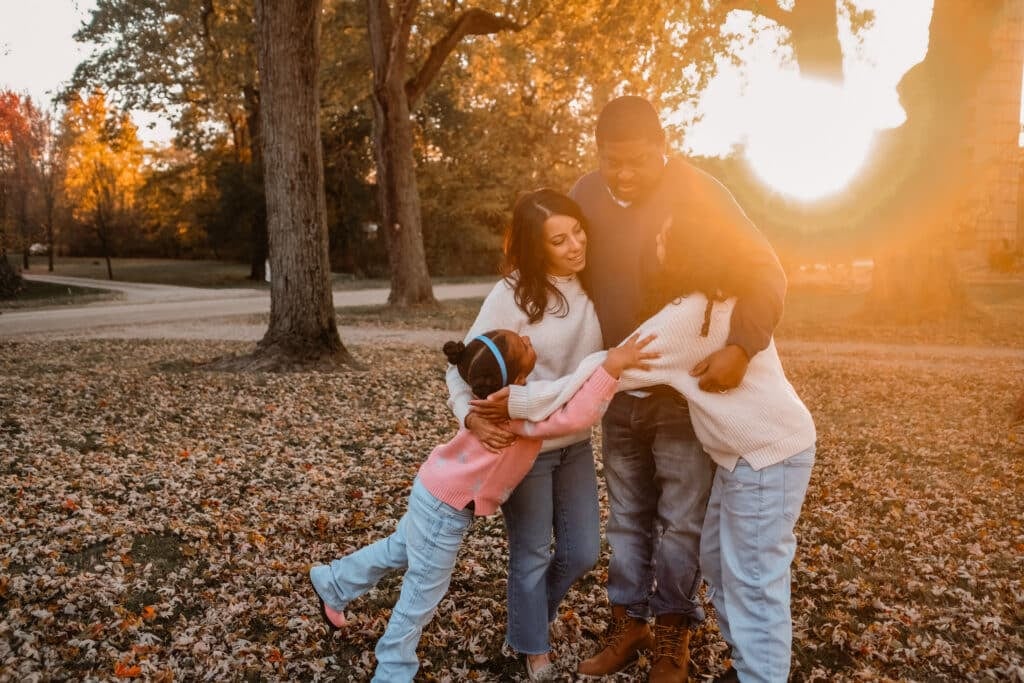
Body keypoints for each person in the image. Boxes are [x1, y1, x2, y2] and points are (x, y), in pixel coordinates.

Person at [478, 96, 788, 682]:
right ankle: (629, 622)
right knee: (626, 517)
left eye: (636, 161)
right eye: (610, 160)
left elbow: (766, 270)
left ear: (662, 144)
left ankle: (672, 629)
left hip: (683, 393)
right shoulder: (588, 192)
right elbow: (557, 263)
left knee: (679, 519)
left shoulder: (702, 191)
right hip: (617, 390)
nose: (621, 173)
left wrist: (742, 346)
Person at [308, 329, 655, 682]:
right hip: (446, 509)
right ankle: (392, 668)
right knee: (421, 593)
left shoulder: (492, 396)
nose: (528, 337)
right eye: (522, 345)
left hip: (433, 489)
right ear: (517, 378)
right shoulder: (514, 410)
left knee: (400, 549)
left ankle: (334, 582)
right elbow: (576, 416)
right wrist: (611, 369)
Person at [446, 189, 605, 679]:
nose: (576, 245)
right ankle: (532, 643)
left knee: (583, 551)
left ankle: (529, 614)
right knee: (532, 551)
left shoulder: (599, 284)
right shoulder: (512, 294)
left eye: (578, 231)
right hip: (524, 446)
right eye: (559, 240)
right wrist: (467, 416)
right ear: (538, 249)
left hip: (573, 441)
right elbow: (462, 367)